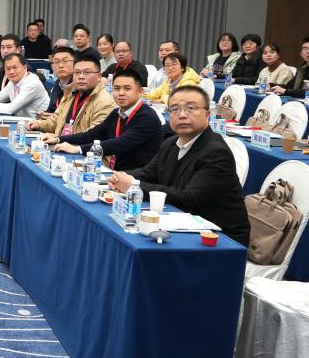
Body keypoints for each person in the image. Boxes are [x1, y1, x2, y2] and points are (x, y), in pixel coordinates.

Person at [108, 86, 250, 246]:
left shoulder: (216, 152)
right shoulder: (170, 143)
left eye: (191, 108)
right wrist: (119, 177)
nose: (182, 115)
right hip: (184, 222)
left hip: (220, 237)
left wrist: (134, 186)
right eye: (175, 109)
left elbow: (188, 197)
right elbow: (148, 172)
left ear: (207, 114)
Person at [45, 69, 164, 171]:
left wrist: (78, 149)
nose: (121, 93)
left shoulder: (147, 117)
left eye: (127, 89)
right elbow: (92, 134)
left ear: (140, 92)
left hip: (136, 178)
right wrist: (59, 139)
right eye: (117, 88)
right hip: (116, 172)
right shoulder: (117, 113)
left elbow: (119, 144)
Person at [28, 57, 114, 135]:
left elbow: (92, 135)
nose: (81, 76)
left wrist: (58, 139)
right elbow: (56, 121)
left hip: (80, 146)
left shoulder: (105, 102)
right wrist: (39, 124)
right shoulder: (70, 93)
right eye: (77, 72)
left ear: (98, 76)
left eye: (87, 72)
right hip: (61, 143)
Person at [0, 53, 49, 117]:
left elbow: (9, 109)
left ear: (25, 67)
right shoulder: (13, 81)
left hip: (38, 124)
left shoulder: (32, 83)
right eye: (8, 69)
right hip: (23, 122)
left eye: (15, 68)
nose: (11, 72)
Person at [41, 47, 75, 116]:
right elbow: (52, 109)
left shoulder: (79, 86)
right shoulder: (57, 84)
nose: (61, 65)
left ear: (75, 64)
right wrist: (44, 114)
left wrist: (52, 116)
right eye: (56, 62)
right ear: (52, 66)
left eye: (65, 61)